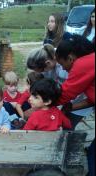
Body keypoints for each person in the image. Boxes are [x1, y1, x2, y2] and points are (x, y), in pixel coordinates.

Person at [27, 43, 93, 130]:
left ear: (48, 63)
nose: (63, 68)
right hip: (58, 100)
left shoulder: (66, 62)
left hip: (79, 101)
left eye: (42, 70)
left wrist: (46, 104)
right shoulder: (51, 58)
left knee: (67, 128)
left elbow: (72, 91)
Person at [55, 35, 95, 176]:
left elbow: (65, 94)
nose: (63, 69)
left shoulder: (82, 65)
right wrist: (72, 107)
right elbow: (92, 99)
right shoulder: (90, 60)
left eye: (61, 64)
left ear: (70, 58)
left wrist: (38, 106)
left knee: (93, 155)